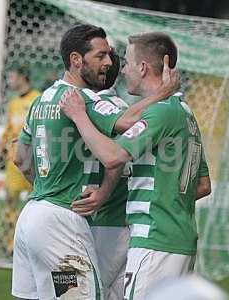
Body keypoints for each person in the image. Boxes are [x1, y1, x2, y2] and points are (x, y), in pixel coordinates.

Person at [12, 24, 178, 300]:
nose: (109, 62)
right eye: (100, 56)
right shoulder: (83, 98)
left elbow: (20, 158)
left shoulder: (41, 100)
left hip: (32, 217)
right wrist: (163, 93)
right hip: (62, 224)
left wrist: (48, 186)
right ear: (76, 60)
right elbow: (126, 123)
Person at [60, 32, 211, 300]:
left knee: (71, 287)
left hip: (154, 239)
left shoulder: (161, 111)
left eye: (128, 63)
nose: (124, 69)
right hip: (179, 239)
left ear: (142, 68)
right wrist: (167, 197)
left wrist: (79, 116)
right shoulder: (185, 113)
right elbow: (202, 185)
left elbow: (113, 156)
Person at [88, 48, 130, 300]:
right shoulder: (124, 108)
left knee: (79, 290)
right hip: (126, 220)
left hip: (103, 222)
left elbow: (114, 161)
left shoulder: (95, 110)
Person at [0, 65, 40, 255]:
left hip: (33, 161)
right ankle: (10, 242)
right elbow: (9, 128)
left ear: (23, 77)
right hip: (13, 160)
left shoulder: (38, 99)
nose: (10, 81)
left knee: (37, 202)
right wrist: (1, 146)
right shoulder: (14, 103)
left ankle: (33, 240)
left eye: (12, 77)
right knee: (10, 200)